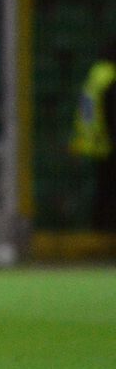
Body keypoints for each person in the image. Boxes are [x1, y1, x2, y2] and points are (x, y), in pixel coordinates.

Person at [70, 40, 116, 232]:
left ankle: (100, 227)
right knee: (108, 190)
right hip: (107, 143)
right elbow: (112, 113)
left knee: (103, 189)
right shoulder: (110, 77)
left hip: (93, 141)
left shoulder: (95, 75)